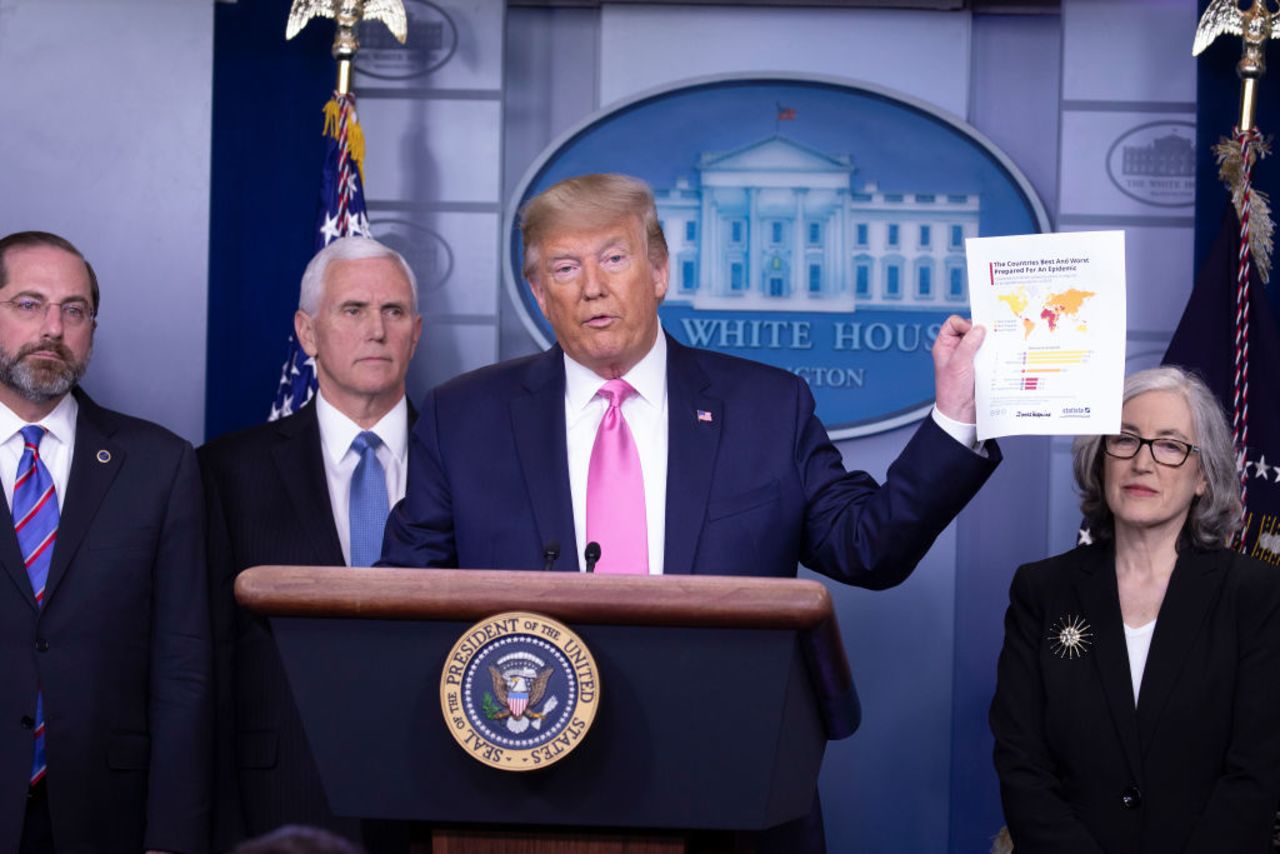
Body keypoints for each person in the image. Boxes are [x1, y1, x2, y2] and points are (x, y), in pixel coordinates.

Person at [378, 174, 1000, 846]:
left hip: (731, 791)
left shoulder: (767, 409)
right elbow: (403, 602)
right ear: (539, 294)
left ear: (660, 271)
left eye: (613, 258)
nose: (592, 286)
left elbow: (868, 546)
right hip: (525, 795)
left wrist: (955, 418)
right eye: (565, 267)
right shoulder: (464, 418)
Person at [990, 365, 1280, 853]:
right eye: (1124, 439)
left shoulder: (1255, 595)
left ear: (1203, 477)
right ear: (1100, 459)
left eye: (1169, 445)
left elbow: (1256, 773)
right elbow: (1023, 767)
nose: (1142, 463)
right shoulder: (1041, 590)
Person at [199, 237, 422, 847]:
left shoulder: (469, 462)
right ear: (307, 332)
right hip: (279, 794)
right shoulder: (224, 471)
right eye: (352, 310)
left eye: (394, 312)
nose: (376, 330)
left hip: (437, 791)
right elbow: (203, 660)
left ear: (416, 332)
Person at [0, 231, 210, 853]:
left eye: (75, 310)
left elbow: (183, 669)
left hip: (105, 818)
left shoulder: (158, 465)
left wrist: (172, 838)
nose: (53, 329)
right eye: (28, 304)